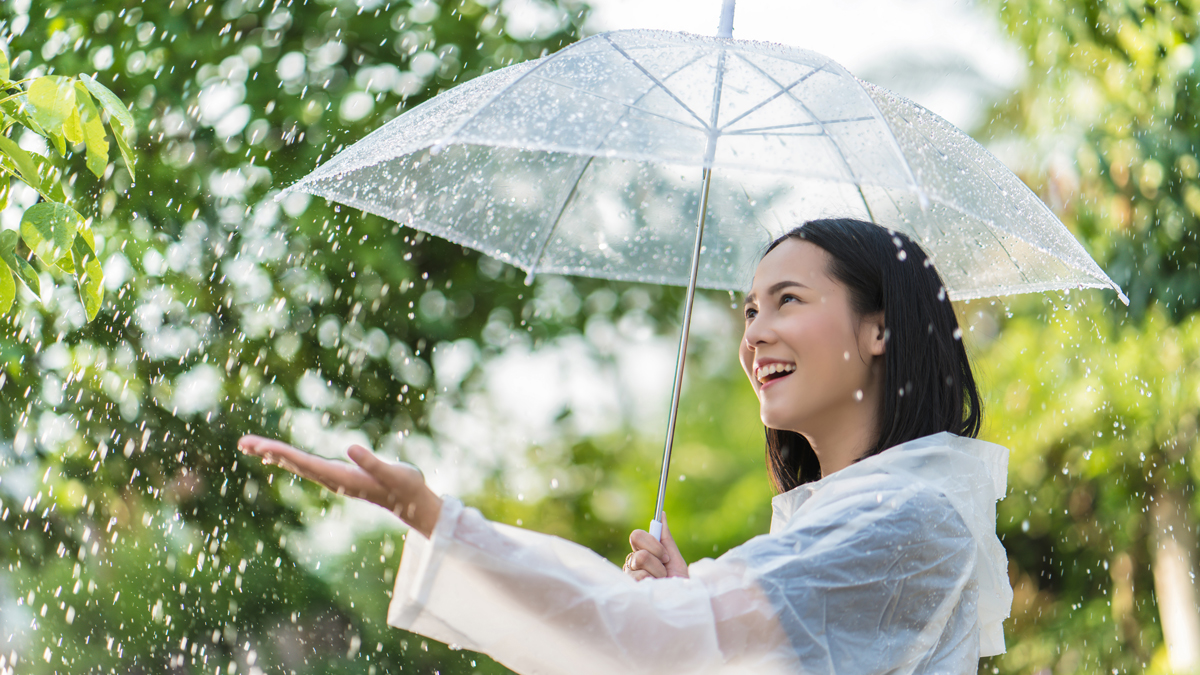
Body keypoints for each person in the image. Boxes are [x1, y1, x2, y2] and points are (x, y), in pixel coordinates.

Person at [239, 218, 1012, 675]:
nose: (755, 333)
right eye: (747, 310)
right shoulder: (845, 520)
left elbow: (636, 636)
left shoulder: (909, 520)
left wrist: (435, 514)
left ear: (880, 328)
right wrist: (686, 603)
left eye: (788, 300)